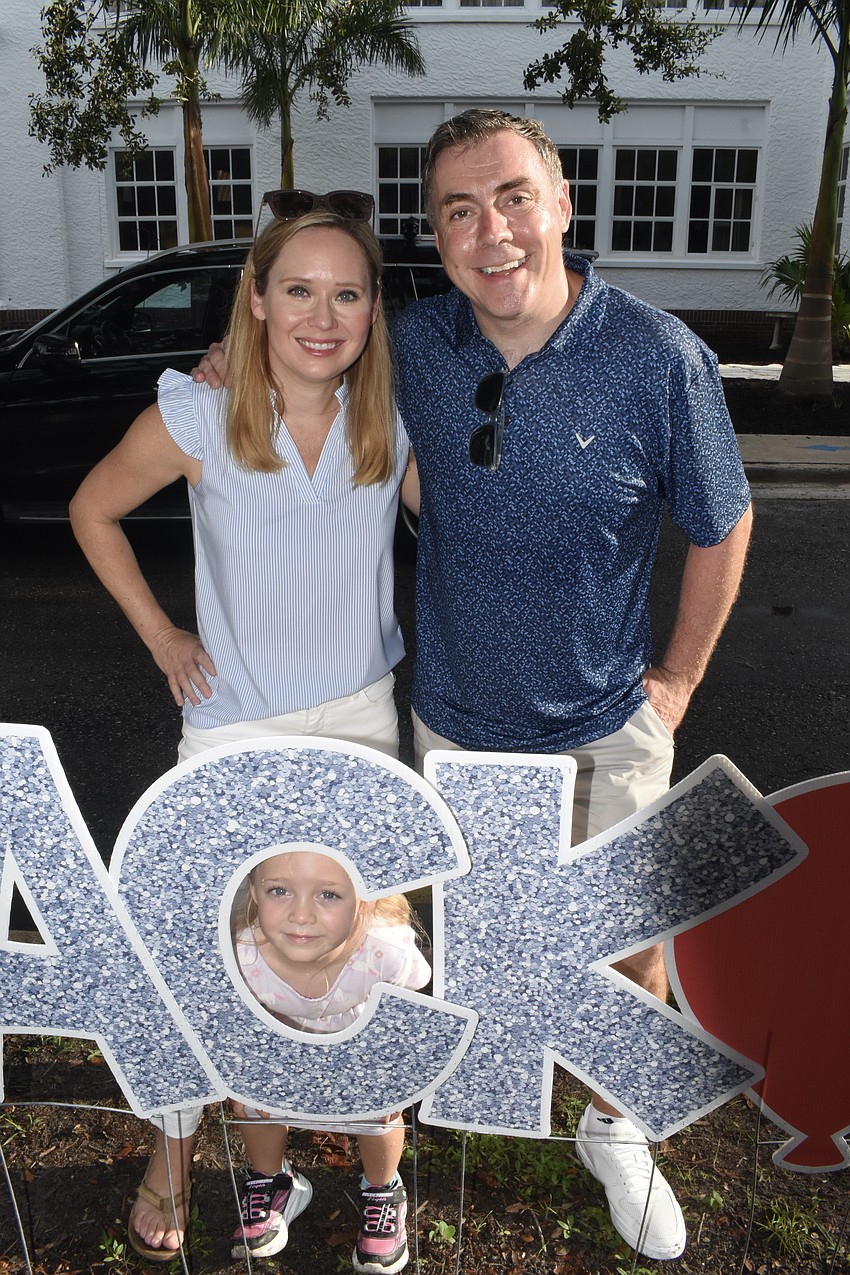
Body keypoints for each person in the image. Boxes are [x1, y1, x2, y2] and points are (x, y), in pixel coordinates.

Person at [195, 109, 753, 1262]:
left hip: (607, 718)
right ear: (438, 238)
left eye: (508, 197)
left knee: (624, 945)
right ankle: (434, 1118)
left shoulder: (657, 356)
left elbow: (721, 522)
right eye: (457, 210)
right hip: (450, 724)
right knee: (473, 948)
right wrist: (221, 361)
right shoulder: (417, 349)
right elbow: (306, 359)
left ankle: (614, 1130)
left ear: (558, 206)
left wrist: (680, 678)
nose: (487, 229)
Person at [69, 204, 415, 1262]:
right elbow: (93, 510)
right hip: (230, 729)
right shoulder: (201, 411)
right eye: (296, 290)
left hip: (360, 721)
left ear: (371, 310)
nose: (322, 314)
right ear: (255, 301)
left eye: (346, 292)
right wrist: (165, 634)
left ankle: (361, 1170)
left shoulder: (391, 415)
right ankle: (176, 1154)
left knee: (360, 956)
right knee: (198, 956)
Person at [227, 848, 429, 1271]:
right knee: (251, 1106)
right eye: (279, 890)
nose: (301, 915)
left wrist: (392, 1077)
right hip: (279, 1043)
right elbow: (249, 1021)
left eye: (329, 895)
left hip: (362, 1042)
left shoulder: (384, 948)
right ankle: (272, 1179)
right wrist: (263, 1072)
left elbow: (406, 1009)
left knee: (377, 1115)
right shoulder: (244, 952)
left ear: (367, 899)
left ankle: (382, 1187)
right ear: (252, 889)